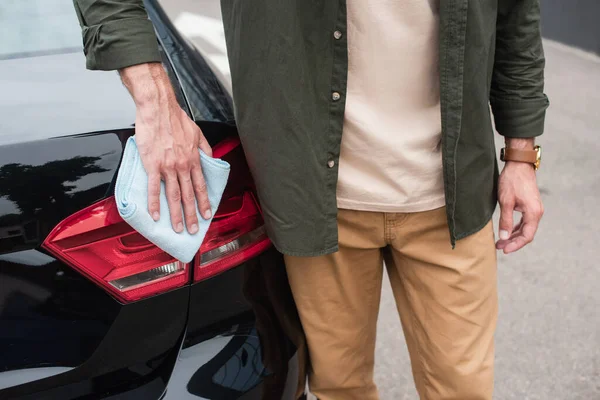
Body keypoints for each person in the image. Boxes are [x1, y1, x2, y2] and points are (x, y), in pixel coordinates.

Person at [73, 0, 548, 398]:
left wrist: (522, 154)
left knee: (463, 389)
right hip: (315, 200)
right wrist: (155, 98)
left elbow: (515, 16)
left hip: (450, 195)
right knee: (340, 387)